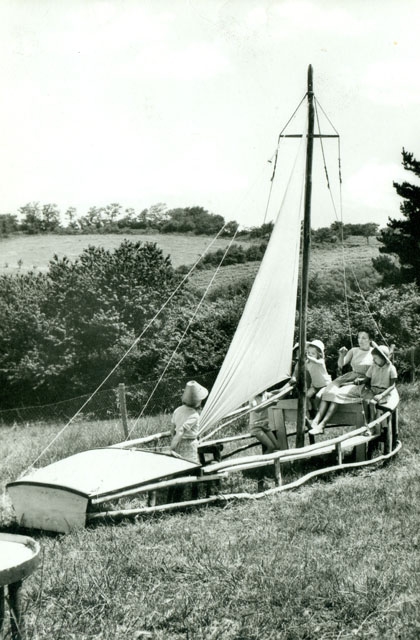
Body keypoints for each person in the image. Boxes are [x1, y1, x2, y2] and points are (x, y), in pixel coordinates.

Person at [309, 329, 374, 435]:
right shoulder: (354, 350)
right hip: (350, 376)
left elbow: (376, 370)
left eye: (364, 338)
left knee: (337, 394)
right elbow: (341, 364)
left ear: (370, 339)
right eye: (359, 337)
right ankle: (316, 421)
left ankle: (322, 425)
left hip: (363, 380)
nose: (360, 340)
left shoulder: (373, 352)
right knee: (328, 391)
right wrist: (341, 355)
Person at [170, 380, 208, 463]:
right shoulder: (194, 415)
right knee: (191, 464)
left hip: (178, 443)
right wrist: (171, 449)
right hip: (189, 444)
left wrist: (174, 444)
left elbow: (173, 430)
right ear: (197, 401)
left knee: (179, 465)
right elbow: (181, 430)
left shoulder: (177, 410)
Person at [290, 340, 331, 414]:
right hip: (315, 386)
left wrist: (308, 356)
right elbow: (303, 370)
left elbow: (315, 361)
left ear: (319, 354)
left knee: (318, 397)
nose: (310, 355)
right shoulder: (307, 363)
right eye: (308, 353)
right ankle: (310, 410)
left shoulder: (321, 361)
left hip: (325, 385)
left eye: (313, 353)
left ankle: (319, 412)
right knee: (306, 396)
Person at [361, 343, 398, 421]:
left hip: (384, 392)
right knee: (365, 401)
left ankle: (372, 425)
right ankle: (366, 422)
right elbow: (366, 379)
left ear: (383, 358)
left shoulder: (391, 368)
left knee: (372, 403)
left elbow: (392, 386)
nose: (373, 360)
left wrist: (381, 395)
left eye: (375, 358)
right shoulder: (373, 367)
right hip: (373, 390)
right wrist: (360, 381)